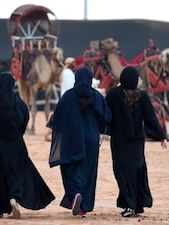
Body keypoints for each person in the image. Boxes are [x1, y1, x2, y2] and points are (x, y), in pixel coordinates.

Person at [0, 72, 55, 219]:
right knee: (16, 173)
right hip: (16, 145)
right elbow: (24, 121)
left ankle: (0, 210)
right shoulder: (19, 104)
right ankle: (14, 197)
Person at [47, 67, 112, 217]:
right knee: (88, 172)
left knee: (70, 167)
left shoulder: (68, 96)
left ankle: (75, 193)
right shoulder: (96, 96)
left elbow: (57, 117)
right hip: (91, 139)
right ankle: (83, 208)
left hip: (72, 138)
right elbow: (107, 117)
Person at [105, 66, 167, 217]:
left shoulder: (113, 94)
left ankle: (130, 205)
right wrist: (161, 135)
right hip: (137, 142)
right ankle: (137, 204)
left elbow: (105, 115)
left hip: (120, 141)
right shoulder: (143, 96)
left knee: (122, 172)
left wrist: (101, 130)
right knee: (137, 172)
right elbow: (150, 118)